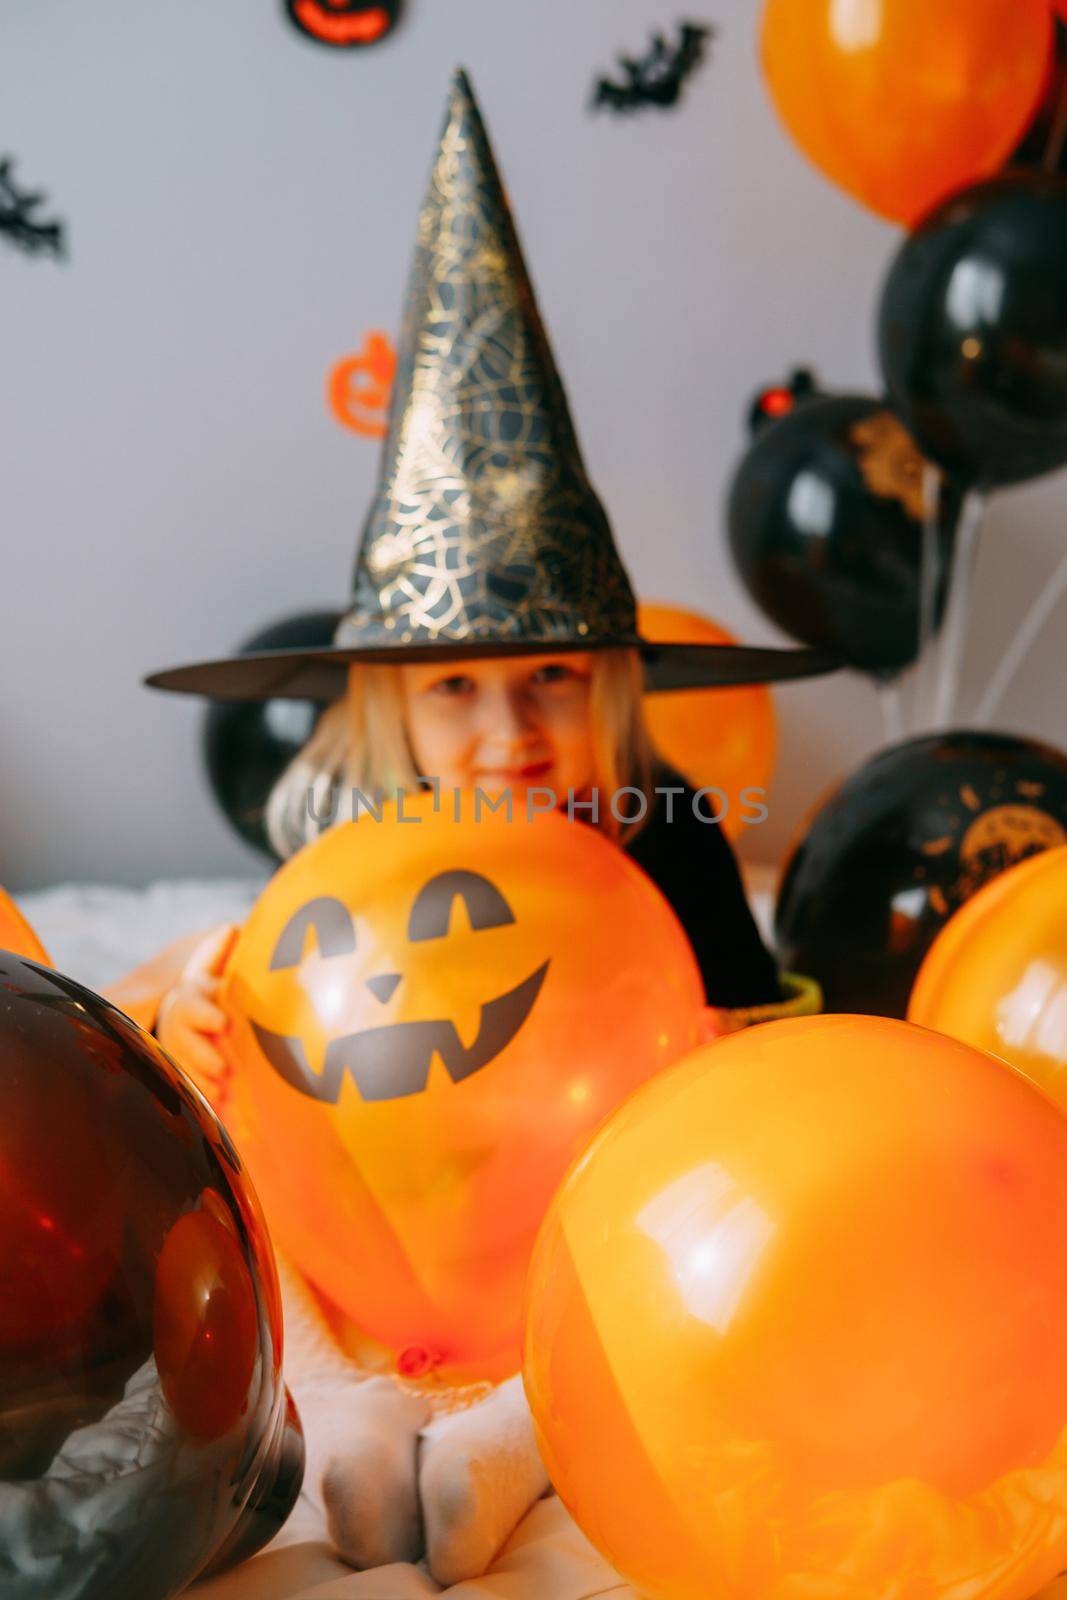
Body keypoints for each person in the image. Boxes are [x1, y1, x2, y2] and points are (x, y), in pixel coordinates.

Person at [140, 69, 832, 1585]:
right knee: (282, 1270)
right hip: (385, 1237)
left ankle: (518, 1436)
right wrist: (198, 997)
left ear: (613, 685)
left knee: (653, 1263)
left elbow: (741, 1060)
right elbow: (281, 1025)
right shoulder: (356, 852)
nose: (512, 733)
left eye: (553, 682)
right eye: (457, 686)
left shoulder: (663, 834)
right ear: (392, 709)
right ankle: (357, 1429)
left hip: (579, 1216)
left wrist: (704, 1048)